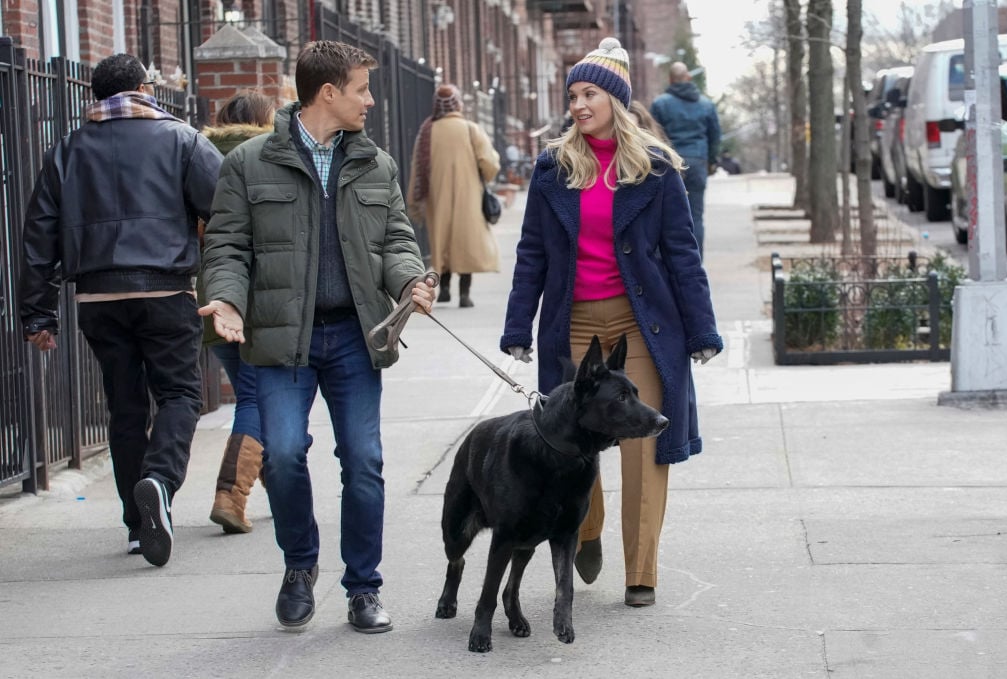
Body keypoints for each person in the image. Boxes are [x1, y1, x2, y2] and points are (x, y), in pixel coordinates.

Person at [199, 40, 435, 633]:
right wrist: (227, 297)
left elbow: (397, 241)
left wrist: (410, 281)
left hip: (355, 336)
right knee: (280, 456)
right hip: (282, 341)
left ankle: (363, 587)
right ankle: (299, 568)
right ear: (327, 93)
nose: (371, 101)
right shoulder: (248, 163)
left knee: (364, 461)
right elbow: (225, 245)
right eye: (362, 89)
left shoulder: (375, 163)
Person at [500, 37, 723, 608]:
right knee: (574, 444)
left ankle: (641, 572)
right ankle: (587, 526)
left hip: (643, 327)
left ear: (616, 101)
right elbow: (532, 254)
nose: (577, 104)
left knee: (644, 449)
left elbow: (682, 254)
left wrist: (700, 330)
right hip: (572, 327)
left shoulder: (656, 170)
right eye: (573, 94)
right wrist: (518, 327)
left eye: (589, 93)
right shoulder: (553, 168)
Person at [19, 53, 223, 567]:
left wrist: (39, 315)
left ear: (95, 95)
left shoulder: (66, 149)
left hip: (97, 297)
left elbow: (38, 235)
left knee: (125, 405)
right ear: (144, 87)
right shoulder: (181, 139)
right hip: (165, 290)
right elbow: (224, 208)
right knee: (179, 393)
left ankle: (138, 527)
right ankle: (159, 481)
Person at [200, 92, 276, 534]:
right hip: (259, 296)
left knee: (257, 394)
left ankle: (282, 487)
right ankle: (231, 494)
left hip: (212, 292)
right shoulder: (267, 156)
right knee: (258, 398)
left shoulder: (198, 153)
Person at [408, 83, 500, 307]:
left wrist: (413, 201)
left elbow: (416, 170)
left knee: (442, 242)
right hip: (468, 197)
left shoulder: (426, 132)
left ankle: (445, 288)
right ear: (457, 103)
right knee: (464, 242)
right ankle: (465, 294)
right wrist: (485, 176)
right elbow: (489, 164)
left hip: (436, 199)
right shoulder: (470, 129)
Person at [650, 61, 721, 256]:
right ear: (688, 78)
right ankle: (695, 262)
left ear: (671, 80)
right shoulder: (706, 104)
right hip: (698, 161)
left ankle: (672, 262)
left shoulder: (660, 104)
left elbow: (652, 134)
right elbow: (715, 136)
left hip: (670, 162)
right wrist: (712, 161)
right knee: (696, 215)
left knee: (669, 215)